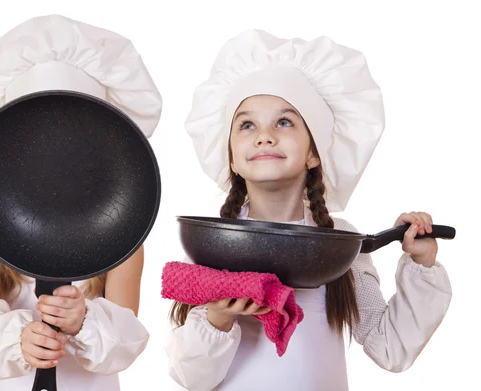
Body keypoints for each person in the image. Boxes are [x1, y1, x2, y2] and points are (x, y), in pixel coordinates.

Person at [165, 29, 452, 391]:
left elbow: (390, 347)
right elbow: (192, 378)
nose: (264, 135)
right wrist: (219, 316)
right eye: (247, 124)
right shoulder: (217, 243)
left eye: (284, 122)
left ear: (314, 153)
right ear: (233, 159)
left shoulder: (341, 245)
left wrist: (421, 265)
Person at [0, 14, 162, 391]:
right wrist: (19, 339)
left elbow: (125, 341)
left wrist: (83, 322)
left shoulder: (122, 234)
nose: (54, 165)